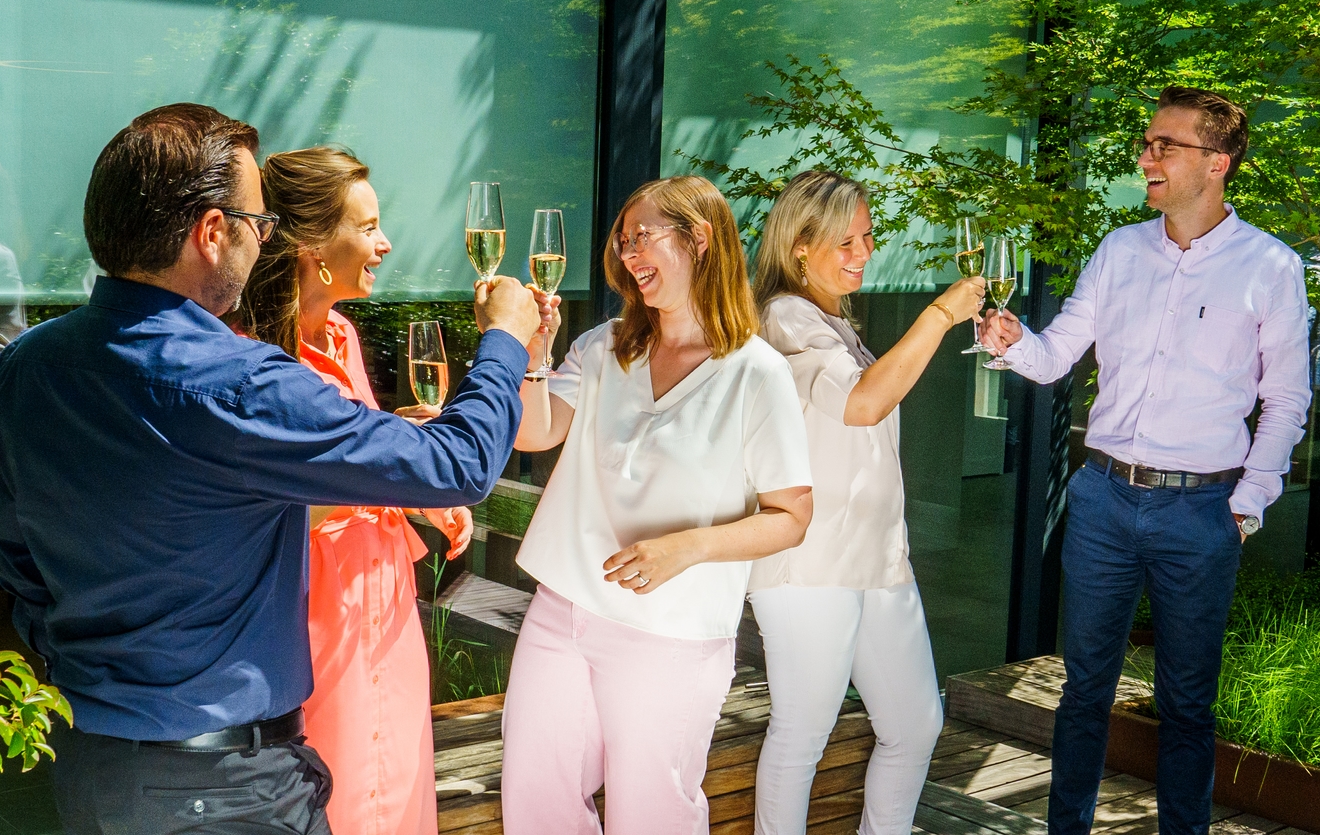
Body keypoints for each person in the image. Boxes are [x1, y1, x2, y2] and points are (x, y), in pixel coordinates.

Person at [0, 103, 544, 834]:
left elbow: (20, 558)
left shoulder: (29, 364)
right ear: (212, 234)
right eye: (259, 225)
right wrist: (506, 339)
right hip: (224, 791)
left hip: (94, 771)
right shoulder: (240, 382)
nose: (263, 243)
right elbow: (459, 462)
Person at [980, 87, 1312, 835]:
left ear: (1217, 162)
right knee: (1084, 689)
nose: (1146, 157)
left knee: (1189, 703)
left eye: (1165, 145)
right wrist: (1012, 341)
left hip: (1203, 511)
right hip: (1102, 498)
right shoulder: (1119, 251)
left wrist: (1247, 501)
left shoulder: (1270, 266)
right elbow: (1058, 350)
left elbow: (1287, 399)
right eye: (1147, 142)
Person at [500, 175, 815, 834]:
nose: (628, 253)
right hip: (563, 611)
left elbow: (792, 516)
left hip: (670, 633)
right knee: (536, 801)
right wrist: (532, 357)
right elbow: (534, 431)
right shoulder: (606, 344)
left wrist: (687, 546)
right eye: (623, 242)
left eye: (642, 235)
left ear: (698, 238)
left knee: (651, 816)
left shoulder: (757, 373)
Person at [233, 145, 470, 835]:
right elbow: (259, 508)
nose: (385, 242)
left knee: (397, 798)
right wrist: (391, 477)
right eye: (367, 226)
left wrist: (411, 478)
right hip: (311, 626)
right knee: (335, 799)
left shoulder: (342, 335)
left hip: (384, 614)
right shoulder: (249, 356)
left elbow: (353, 463)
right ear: (309, 247)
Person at [748, 170, 986, 835]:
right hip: (811, 563)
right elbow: (862, 402)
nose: (862, 252)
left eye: (867, 237)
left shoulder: (829, 318)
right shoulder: (782, 317)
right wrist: (940, 314)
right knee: (801, 734)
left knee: (915, 723)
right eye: (842, 240)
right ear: (798, 243)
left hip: (877, 557)